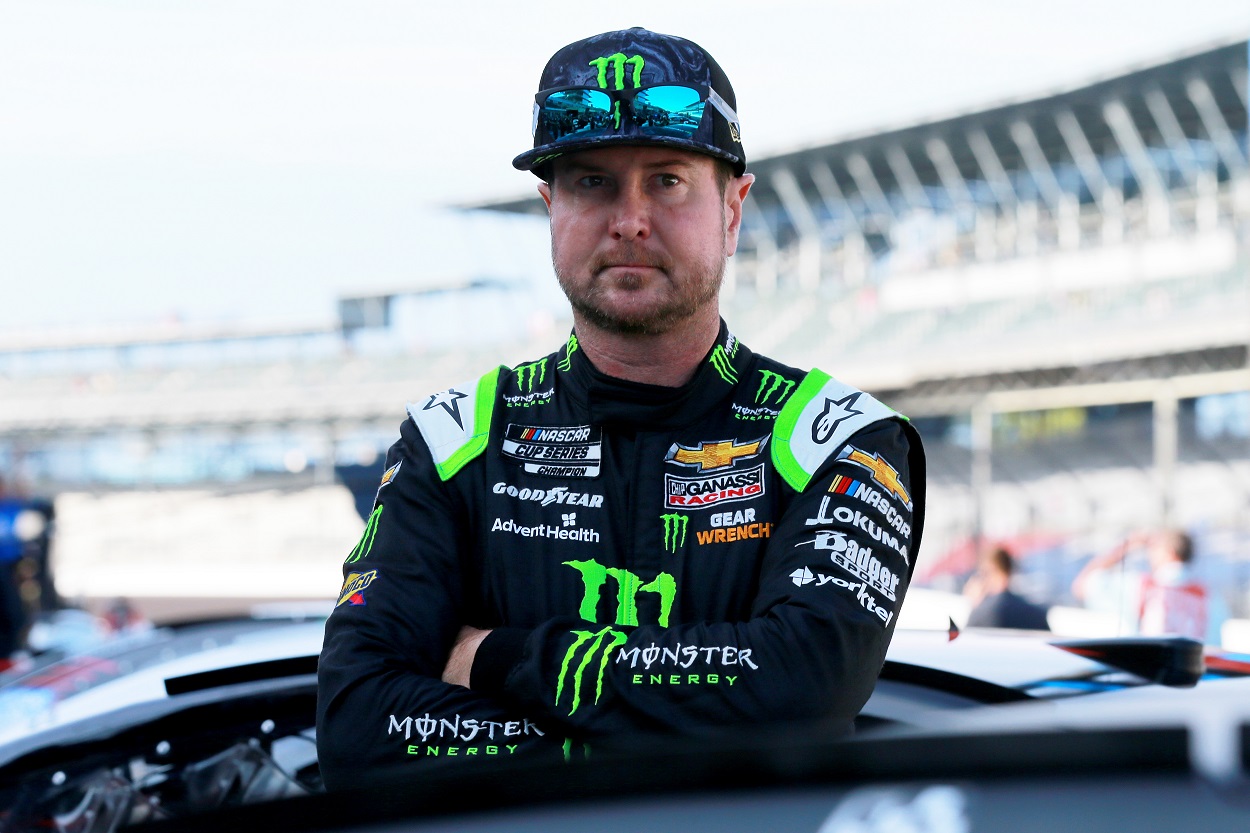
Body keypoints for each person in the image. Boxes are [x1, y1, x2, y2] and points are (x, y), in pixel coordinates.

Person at [317, 27, 926, 791]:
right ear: (550, 207)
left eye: (667, 180)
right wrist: (682, 739)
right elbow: (355, 723)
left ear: (733, 210)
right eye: (591, 182)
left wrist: (499, 658)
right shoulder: (453, 438)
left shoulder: (843, 438)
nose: (630, 218)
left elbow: (803, 687)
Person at [1071, 529, 1214, 642]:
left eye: (1153, 549)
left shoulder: (1141, 585)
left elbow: (1081, 586)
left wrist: (1127, 545)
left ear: (1169, 552)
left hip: (1149, 671)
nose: (1149, 555)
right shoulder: (1211, 596)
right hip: (1194, 674)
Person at [964, 546, 1049, 630]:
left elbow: (968, 638)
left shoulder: (981, 614)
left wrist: (975, 605)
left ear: (986, 571)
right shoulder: (1036, 614)